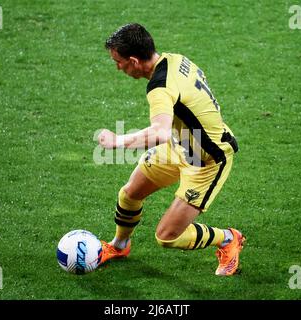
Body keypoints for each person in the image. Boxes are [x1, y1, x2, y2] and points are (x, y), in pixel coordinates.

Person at [97, 23, 245, 276]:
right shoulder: (176, 59)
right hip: (181, 145)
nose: (117, 67)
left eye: (118, 61)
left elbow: (159, 132)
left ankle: (228, 238)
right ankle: (119, 245)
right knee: (129, 194)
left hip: (207, 161)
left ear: (133, 60)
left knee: (167, 237)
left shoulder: (159, 87)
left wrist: (117, 142)